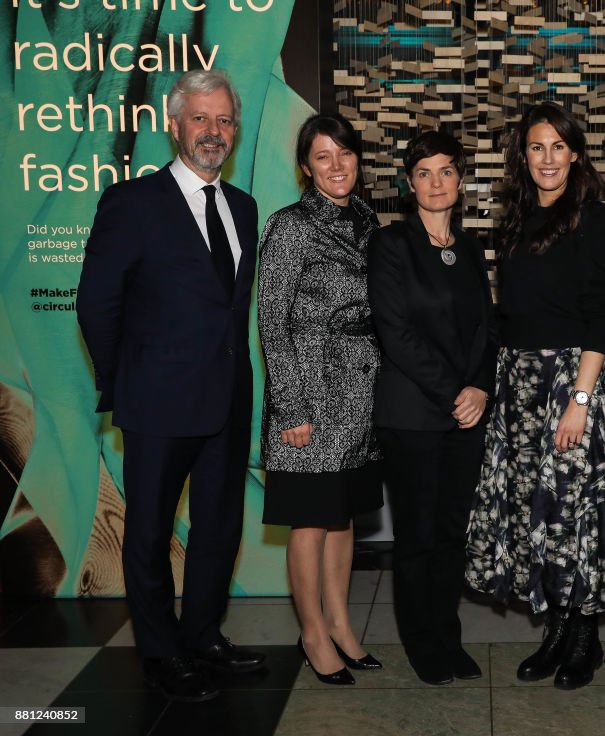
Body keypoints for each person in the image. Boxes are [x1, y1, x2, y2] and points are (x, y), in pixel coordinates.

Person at [77, 69, 265, 702]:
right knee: (150, 533)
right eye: (201, 119)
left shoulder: (243, 206)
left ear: (235, 131)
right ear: (174, 124)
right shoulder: (130, 202)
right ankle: (159, 652)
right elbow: (97, 305)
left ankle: (204, 634)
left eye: (224, 121)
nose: (213, 132)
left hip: (227, 401)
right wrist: (126, 381)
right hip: (155, 403)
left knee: (220, 527)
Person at [465, 101, 605, 690]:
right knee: (538, 516)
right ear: (523, 156)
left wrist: (579, 401)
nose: (548, 158)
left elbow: (602, 312)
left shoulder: (595, 219)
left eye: (559, 146)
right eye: (537, 147)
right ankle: (555, 632)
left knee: (577, 513)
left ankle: (584, 638)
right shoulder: (514, 219)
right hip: (520, 386)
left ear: (576, 154)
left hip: (572, 381)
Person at [367, 130, 497, 686]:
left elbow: (486, 329)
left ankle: (448, 636)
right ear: (409, 183)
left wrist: (481, 388)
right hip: (413, 415)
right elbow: (395, 333)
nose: (436, 182)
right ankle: (423, 645)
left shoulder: (468, 248)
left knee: (450, 535)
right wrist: (453, 392)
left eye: (447, 171)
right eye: (424, 172)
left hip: (466, 415)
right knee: (417, 537)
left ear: (460, 180)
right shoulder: (390, 245)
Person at [258, 113, 383, 686]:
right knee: (310, 521)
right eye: (324, 157)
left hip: (360, 395)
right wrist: (290, 406)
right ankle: (312, 633)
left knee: (342, 519)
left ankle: (341, 624)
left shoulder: (367, 218)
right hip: (308, 393)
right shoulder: (289, 227)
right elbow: (271, 321)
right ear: (306, 168)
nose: (338, 166)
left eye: (346, 154)